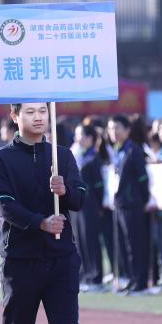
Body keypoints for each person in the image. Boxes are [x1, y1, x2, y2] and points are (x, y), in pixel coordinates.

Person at [0, 102, 110, 324]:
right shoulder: (0, 159)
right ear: (15, 116)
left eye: (42, 111)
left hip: (61, 260)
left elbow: (80, 199)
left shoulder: (62, 156)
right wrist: (40, 222)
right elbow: (4, 205)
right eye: (29, 112)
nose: (38, 117)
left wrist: (65, 189)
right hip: (20, 261)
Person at [107, 114, 150, 295]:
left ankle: (140, 281)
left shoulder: (133, 150)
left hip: (132, 204)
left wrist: (143, 199)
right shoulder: (117, 150)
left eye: (117, 127)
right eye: (111, 128)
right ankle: (131, 278)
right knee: (124, 245)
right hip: (119, 204)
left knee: (135, 243)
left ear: (127, 130)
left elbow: (143, 178)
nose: (113, 132)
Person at [71, 123, 107, 292]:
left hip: (90, 206)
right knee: (80, 241)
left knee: (91, 242)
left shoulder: (94, 158)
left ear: (90, 138)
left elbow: (99, 186)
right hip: (78, 206)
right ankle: (85, 275)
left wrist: (99, 206)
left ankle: (96, 277)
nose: (77, 139)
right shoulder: (78, 155)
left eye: (81, 135)